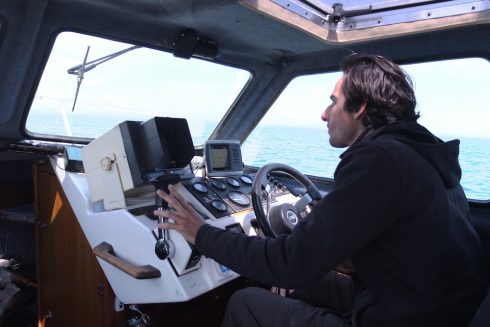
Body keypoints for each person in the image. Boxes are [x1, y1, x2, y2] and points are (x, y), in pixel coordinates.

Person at [154, 53, 489, 326]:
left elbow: (291, 261)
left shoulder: (379, 160)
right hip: (432, 306)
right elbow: (402, 246)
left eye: (334, 102)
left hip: (404, 315)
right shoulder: (422, 153)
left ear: (359, 108)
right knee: (304, 282)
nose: (324, 114)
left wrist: (201, 234)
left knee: (246, 303)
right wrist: (314, 260)